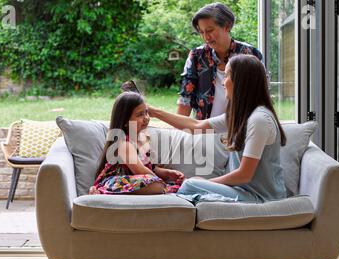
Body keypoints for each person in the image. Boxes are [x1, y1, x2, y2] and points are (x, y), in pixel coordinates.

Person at [149, 54, 287, 203]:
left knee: (189, 185)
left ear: (240, 82)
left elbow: (244, 175)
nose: (222, 82)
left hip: (260, 198)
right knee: (191, 184)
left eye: (227, 75)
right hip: (241, 191)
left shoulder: (259, 120)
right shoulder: (242, 115)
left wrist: (207, 182)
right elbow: (196, 126)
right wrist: (153, 111)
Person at [177, 2, 263, 120]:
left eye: (210, 30)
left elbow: (261, 96)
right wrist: (179, 133)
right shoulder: (196, 56)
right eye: (201, 32)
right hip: (204, 131)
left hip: (241, 130)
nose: (206, 37)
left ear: (227, 26)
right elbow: (185, 99)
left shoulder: (250, 54)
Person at [89, 91, 184, 195]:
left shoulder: (143, 140)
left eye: (146, 112)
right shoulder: (124, 144)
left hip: (137, 180)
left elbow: (149, 168)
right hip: (116, 182)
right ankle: (102, 192)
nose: (146, 118)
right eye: (140, 114)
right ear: (125, 120)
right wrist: (160, 181)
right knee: (156, 185)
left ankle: (160, 187)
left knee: (163, 184)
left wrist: (167, 174)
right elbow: (139, 170)